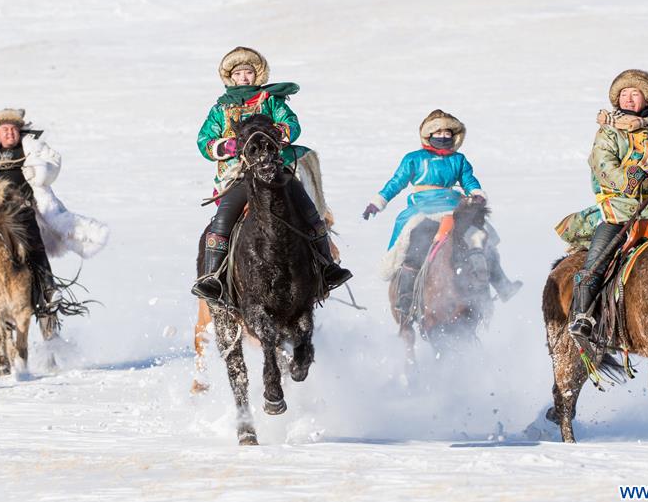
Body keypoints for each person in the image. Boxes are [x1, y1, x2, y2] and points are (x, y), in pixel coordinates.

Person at [192, 46, 351, 302]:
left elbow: (292, 124)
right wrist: (228, 146)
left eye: (248, 72)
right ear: (230, 78)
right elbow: (205, 141)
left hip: (275, 170)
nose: (244, 78)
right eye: (238, 74)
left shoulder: (271, 101)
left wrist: (276, 135)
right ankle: (213, 279)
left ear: (258, 74)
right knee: (222, 220)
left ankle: (326, 268)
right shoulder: (220, 110)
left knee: (309, 212)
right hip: (239, 174)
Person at [564, 69, 648, 341]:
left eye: (634, 93)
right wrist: (637, 182)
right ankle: (583, 315)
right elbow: (603, 166)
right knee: (597, 259)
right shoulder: (608, 132)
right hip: (619, 211)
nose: (627, 98)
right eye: (624, 93)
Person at [363, 109, 521, 315]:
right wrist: (378, 202)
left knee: (481, 237)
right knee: (414, 239)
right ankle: (405, 295)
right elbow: (396, 182)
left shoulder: (459, 159)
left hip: (453, 207)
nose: (444, 136)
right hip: (423, 207)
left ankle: (502, 284)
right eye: (438, 132)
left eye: (448, 133)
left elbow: (469, 181)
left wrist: (476, 193)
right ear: (429, 135)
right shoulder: (414, 158)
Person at [0, 108, 109, 318]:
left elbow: (54, 164)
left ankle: (48, 290)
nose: (9, 133)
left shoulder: (32, 148)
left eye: (13, 129)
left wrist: (39, 171)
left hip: (23, 210)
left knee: (35, 244)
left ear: (19, 131)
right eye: (5, 129)